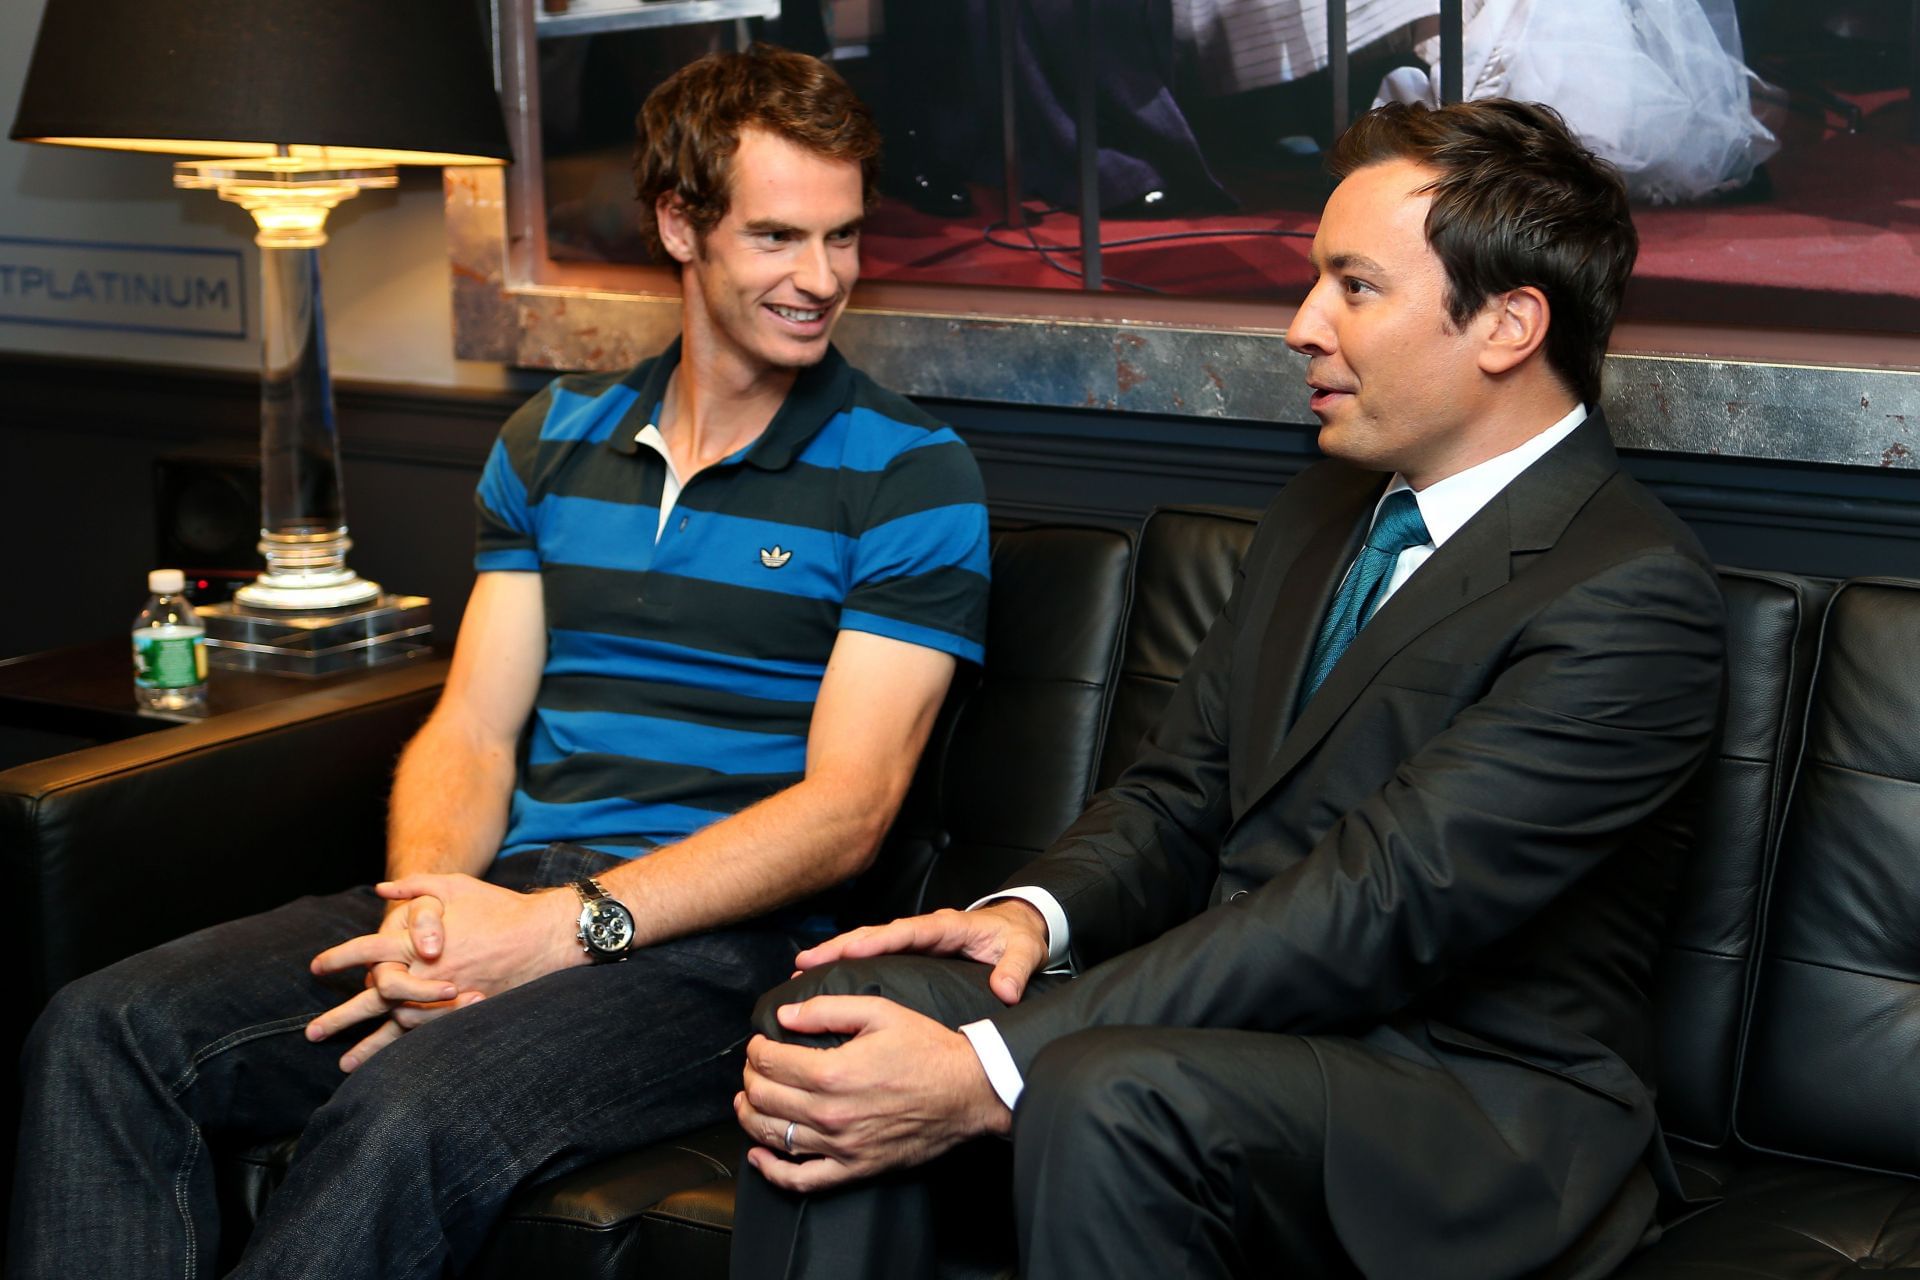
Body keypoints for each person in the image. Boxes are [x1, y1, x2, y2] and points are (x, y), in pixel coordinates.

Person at [8, 44, 989, 1280]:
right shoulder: (550, 438)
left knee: (402, 1113)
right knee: (102, 1030)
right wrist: (426, 918)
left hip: (715, 953)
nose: (823, 278)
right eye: (781, 237)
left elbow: (848, 814)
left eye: (844, 239)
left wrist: (557, 932)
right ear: (681, 226)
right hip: (507, 894)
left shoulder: (909, 475)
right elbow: (471, 727)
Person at [728, 97, 1727, 1280]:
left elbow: (1374, 905)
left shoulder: (1629, 594)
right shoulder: (1320, 512)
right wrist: (1029, 918)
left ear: (1507, 323)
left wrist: (994, 1064)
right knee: (832, 1013)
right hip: (1247, 1035)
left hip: (1471, 1105)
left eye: (1355, 287)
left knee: (1103, 1089)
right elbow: (1176, 792)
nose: (1302, 326)